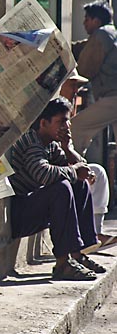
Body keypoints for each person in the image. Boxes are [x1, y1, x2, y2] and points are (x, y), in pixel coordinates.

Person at [9, 97, 107, 281]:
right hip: (19, 214)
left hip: (35, 209)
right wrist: (74, 170)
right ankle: (63, 263)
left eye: (67, 120)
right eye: (61, 121)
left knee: (79, 183)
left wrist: (67, 148)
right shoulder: (31, 140)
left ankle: (78, 255)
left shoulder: (52, 144)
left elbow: (80, 169)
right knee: (61, 188)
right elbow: (43, 174)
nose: (67, 125)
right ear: (43, 123)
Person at [60, 71, 117, 249]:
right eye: (72, 86)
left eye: (78, 87)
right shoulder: (52, 114)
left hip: (68, 168)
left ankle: (94, 233)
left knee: (97, 172)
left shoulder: (68, 112)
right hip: (54, 174)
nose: (76, 91)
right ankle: (89, 236)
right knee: (86, 178)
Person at [70, 0, 117, 155]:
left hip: (112, 98)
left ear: (96, 21)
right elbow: (82, 47)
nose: (84, 23)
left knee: (75, 127)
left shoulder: (101, 35)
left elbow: (85, 70)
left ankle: (74, 169)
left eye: (87, 19)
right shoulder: (111, 34)